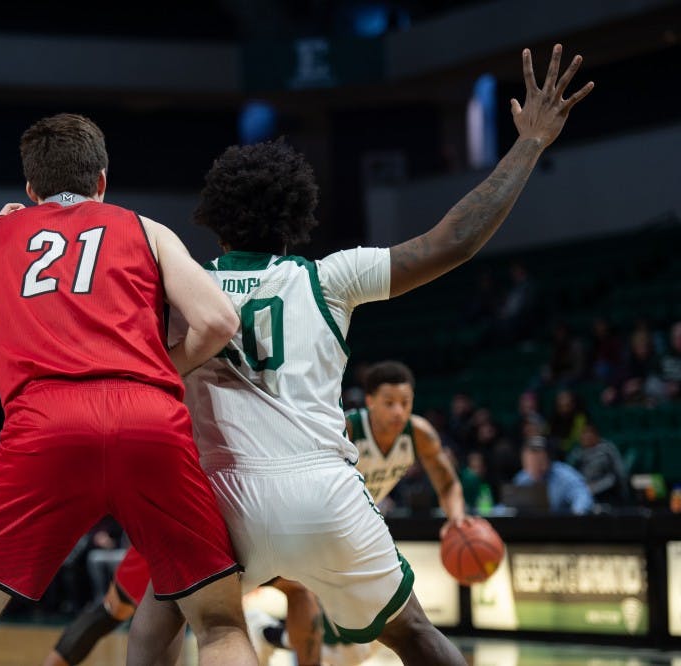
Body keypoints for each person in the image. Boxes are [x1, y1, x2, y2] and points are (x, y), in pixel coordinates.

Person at [128, 44, 593, 666]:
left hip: (224, 498)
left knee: (160, 626)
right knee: (417, 637)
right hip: (324, 492)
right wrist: (529, 143)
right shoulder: (329, 278)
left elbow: (79, 326)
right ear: (297, 216)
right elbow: (452, 241)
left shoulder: (185, 286)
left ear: (216, 219)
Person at [0, 113, 256, 666]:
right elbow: (219, 322)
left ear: (30, 188)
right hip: (149, 418)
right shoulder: (146, 228)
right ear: (103, 180)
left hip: (45, 427)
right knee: (221, 625)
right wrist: (158, 367)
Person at [250, 361, 469, 665]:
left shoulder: (418, 434)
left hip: (355, 527)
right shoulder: (347, 429)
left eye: (405, 403)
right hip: (317, 520)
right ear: (369, 401)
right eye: (389, 403)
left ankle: (268, 634)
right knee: (314, 604)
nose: (398, 412)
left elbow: (447, 484)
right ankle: (271, 635)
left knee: (354, 644)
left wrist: (456, 518)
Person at [513, 435, 594, 514]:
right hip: (531, 525)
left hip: (562, 525)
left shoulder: (564, 475)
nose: (535, 466)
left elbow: (582, 496)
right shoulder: (522, 478)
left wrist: (577, 515)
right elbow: (508, 506)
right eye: (530, 462)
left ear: (549, 458)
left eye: (539, 461)